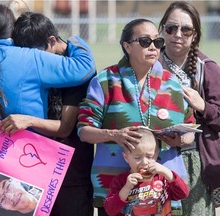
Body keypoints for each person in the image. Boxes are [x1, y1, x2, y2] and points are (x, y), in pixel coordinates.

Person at [0, 11, 95, 216]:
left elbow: (65, 128)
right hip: (37, 170)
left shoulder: (67, 75)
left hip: (67, 175)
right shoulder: (27, 63)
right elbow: (85, 67)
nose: (39, 58)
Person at [77, 18, 195, 216]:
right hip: (115, 192)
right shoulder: (106, 80)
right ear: (127, 46)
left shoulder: (173, 83)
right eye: (144, 41)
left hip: (162, 192)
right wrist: (114, 134)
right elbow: (84, 132)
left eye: (157, 42)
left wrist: (180, 139)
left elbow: (190, 128)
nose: (153, 47)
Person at [158, 1, 220, 215]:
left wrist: (202, 106)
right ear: (162, 29)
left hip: (194, 163)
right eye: (171, 28)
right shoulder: (147, 61)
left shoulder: (207, 68)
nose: (178, 34)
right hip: (151, 158)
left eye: (186, 29)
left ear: (195, 35)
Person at [104, 128, 189, 215]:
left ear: (156, 155)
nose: (144, 162)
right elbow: (110, 210)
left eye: (150, 157)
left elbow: (183, 194)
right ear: (126, 157)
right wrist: (126, 188)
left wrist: (167, 172)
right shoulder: (120, 181)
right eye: (137, 158)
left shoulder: (163, 177)